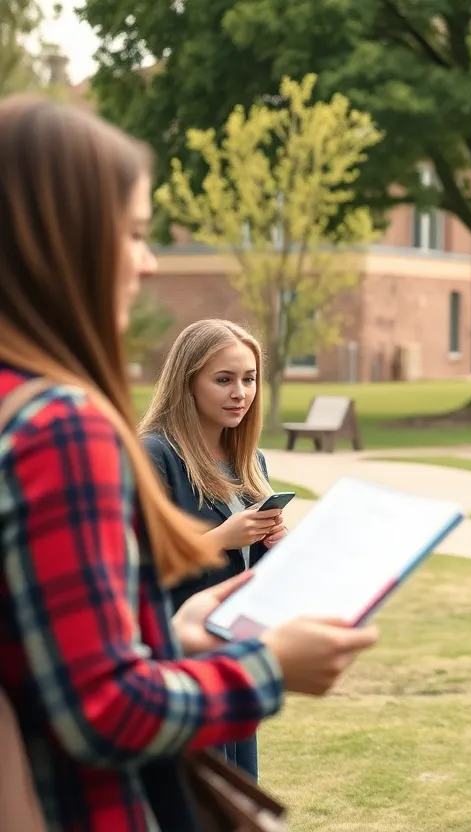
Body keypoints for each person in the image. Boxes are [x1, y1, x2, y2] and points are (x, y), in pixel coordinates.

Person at [0, 94, 378, 831]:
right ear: (62, 239)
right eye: (134, 234)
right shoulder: (60, 429)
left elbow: (42, 659)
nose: (145, 263)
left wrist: (177, 635)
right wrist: (272, 668)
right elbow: (101, 711)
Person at [139, 319, 288, 781]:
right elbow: (138, 571)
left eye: (249, 378)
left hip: (233, 651)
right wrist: (223, 536)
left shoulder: (250, 459)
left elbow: (250, 569)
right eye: (223, 379)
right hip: (177, 658)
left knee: (239, 792)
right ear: (188, 382)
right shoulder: (154, 455)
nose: (240, 392)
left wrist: (274, 544)